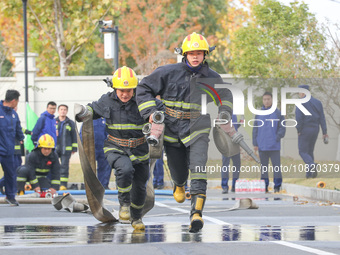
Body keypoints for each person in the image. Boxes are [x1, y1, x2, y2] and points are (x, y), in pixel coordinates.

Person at [136, 32, 233, 232]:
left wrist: (224, 112)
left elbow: (226, 96)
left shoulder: (212, 77)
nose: (195, 56)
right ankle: (179, 184)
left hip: (198, 127)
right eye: (191, 53)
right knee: (178, 171)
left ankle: (196, 214)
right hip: (171, 130)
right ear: (184, 54)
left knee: (198, 168)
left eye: (199, 53)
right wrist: (151, 113)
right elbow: (143, 88)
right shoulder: (167, 72)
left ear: (205, 55)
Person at [76, 66, 162, 231]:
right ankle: (124, 203)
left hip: (140, 150)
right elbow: (91, 110)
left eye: (129, 90)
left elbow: (161, 108)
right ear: (115, 88)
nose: (125, 94)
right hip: (115, 147)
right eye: (121, 90)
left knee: (140, 186)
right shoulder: (106, 101)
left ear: (134, 89)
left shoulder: (143, 100)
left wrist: (157, 116)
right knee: (124, 169)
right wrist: (82, 112)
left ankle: (136, 217)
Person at [252, 92, 286, 193]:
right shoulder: (258, 113)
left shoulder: (277, 113)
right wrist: (255, 143)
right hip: (262, 146)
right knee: (264, 168)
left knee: (276, 167)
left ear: (272, 100)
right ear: (263, 101)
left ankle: (277, 186)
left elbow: (282, 127)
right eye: (264, 99)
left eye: (268, 99)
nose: (266, 101)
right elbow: (255, 129)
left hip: (274, 146)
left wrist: (277, 137)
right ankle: (264, 186)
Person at [295, 85, 328, 178]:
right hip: (315, 129)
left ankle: (311, 165)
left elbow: (299, 118)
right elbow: (322, 118)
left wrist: (299, 129)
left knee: (302, 151)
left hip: (305, 129)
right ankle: (310, 174)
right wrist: (324, 132)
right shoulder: (317, 102)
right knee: (309, 151)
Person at [0, 90, 25, 206]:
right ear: (14, 101)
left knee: (11, 174)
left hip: (8, 151)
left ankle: (10, 197)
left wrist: (21, 137)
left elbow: (18, 128)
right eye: (18, 101)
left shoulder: (13, 114)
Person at [55, 104, 78, 189]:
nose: (63, 111)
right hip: (55, 149)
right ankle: (55, 184)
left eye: (65, 110)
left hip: (66, 149)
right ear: (58, 111)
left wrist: (74, 148)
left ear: (67, 111)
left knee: (64, 167)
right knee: (55, 166)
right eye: (61, 109)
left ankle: (63, 185)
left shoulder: (70, 123)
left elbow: (74, 136)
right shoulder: (54, 122)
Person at [221, 115, 241, 194]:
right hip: (227, 143)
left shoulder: (235, 114)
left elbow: (235, 127)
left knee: (237, 164)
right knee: (226, 165)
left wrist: (240, 122)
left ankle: (234, 185)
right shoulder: (224, 113)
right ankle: (225, 186)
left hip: (235, 142)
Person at [93, 117, 112, 189]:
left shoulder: (108, 119)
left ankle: (103, 186)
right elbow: (82, 133)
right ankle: (90, 186)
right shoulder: (90, 119)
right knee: (90, 168)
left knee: (105, 167)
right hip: (92, 147)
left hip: (104, 147)